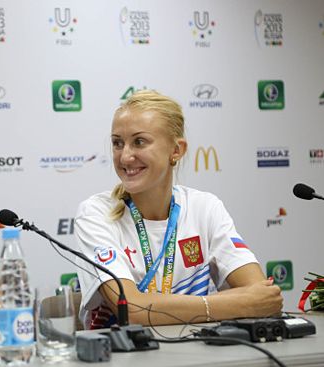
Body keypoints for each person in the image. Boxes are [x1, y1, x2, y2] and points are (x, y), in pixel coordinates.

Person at [75, 90, 283, 329]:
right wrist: (226, 304)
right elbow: (131, 310)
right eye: (117, 143)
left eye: (139, 142)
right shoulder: (95, 214)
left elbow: (262, 296)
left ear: (177, 150)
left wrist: (158, 307)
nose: (125, 156)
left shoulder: (205, 207)